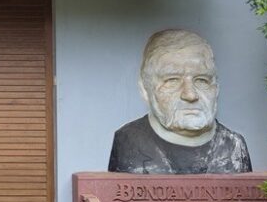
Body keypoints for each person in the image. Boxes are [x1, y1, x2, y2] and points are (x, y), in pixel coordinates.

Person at [108, 29, 252, 174]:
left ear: (216, 88)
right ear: (145, 88)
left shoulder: (234, 146)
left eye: (202, 80)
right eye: (172, 80)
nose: (190, 95)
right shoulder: (128, 141)